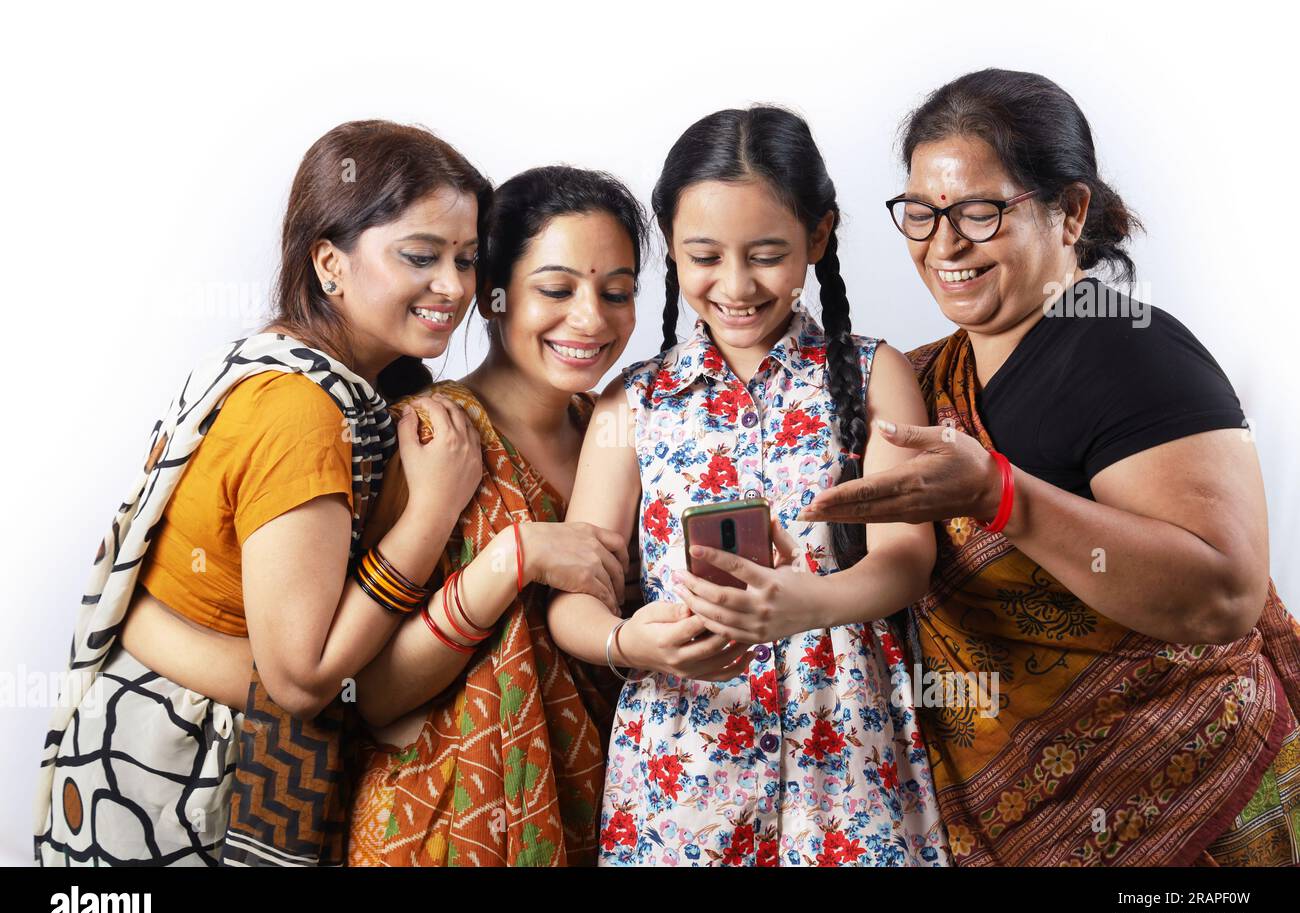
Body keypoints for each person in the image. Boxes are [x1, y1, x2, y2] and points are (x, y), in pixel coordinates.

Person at [801, 69, 1300, 865]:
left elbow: (1224, 595)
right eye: (922, 214)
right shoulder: (926, 378)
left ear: (1070, 212)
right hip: (1030, 825)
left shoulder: (1132, 349)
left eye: (979, 211)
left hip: (1205, 803)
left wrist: (1002, 496)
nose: (944, 244)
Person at [35, 120, 491, 866]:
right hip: (168, 777)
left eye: (467, 259)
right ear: (329, 262)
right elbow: (304, 677)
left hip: (173, 746)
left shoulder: (332, 382)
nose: (455, 286)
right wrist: (436, 510)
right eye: (422, 256)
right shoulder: (300, 412)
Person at [548, 106, 949, 866]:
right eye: (704, 256)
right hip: (681, 752)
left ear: (818, 238)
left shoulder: (873, 373)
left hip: (847, 741)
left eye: (766, 254)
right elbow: (575, 593)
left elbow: (908, 556)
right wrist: (628, 640)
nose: (735, 285)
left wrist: (810, 604)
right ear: (670, 244)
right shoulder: (630, 403)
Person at [346, 165, 648, 866]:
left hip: (603, 815)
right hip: (443, 826)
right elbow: (373, 694)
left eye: (617, 292)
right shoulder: (431, 438)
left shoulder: (625, 432)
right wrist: (516, 558)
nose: (591, 318)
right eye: (556, 289)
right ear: (493, 296)